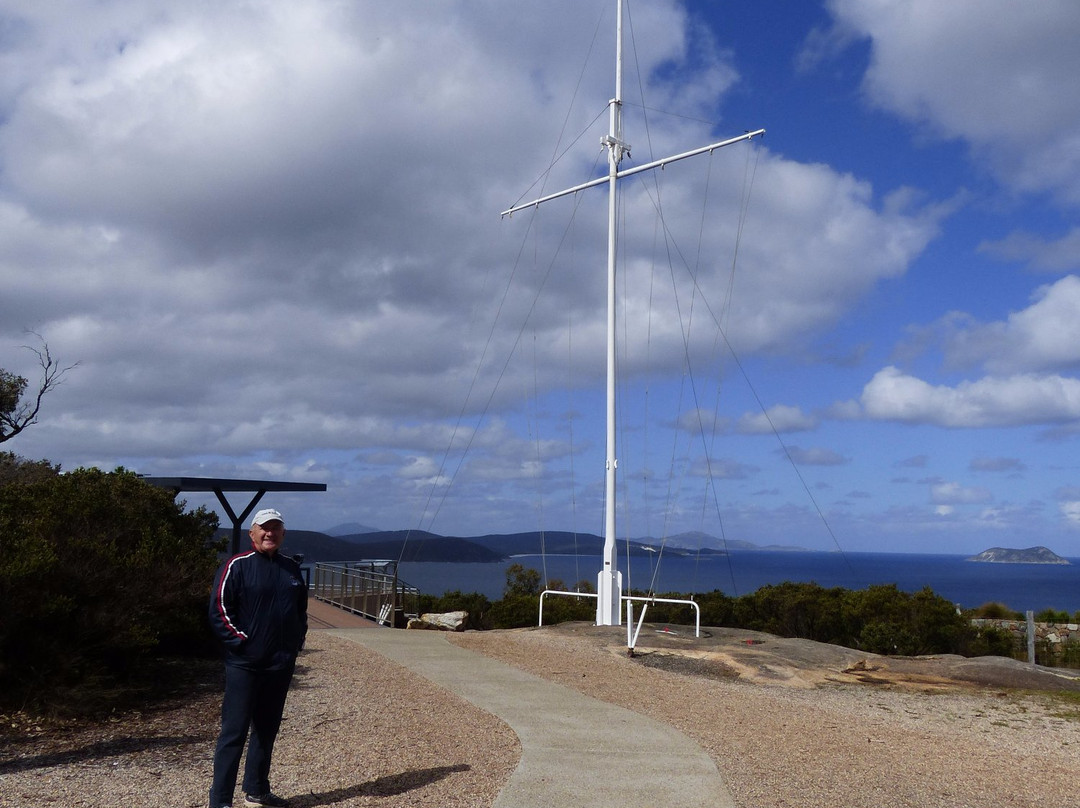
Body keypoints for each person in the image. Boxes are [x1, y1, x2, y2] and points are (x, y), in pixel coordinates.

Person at [208, 508, 307, 808]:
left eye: (275, 528)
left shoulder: (291, 569)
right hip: (245, 665)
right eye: (264, 528)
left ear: (283, 534)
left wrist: (294, 644)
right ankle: (220, 800)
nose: (269, 533)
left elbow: (300, 612)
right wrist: (241, 644)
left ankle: (257, 789)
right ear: (252, 533)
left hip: (280, 664)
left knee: (266, 730)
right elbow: (219, 611)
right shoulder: (236, 566)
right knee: (234, 733)